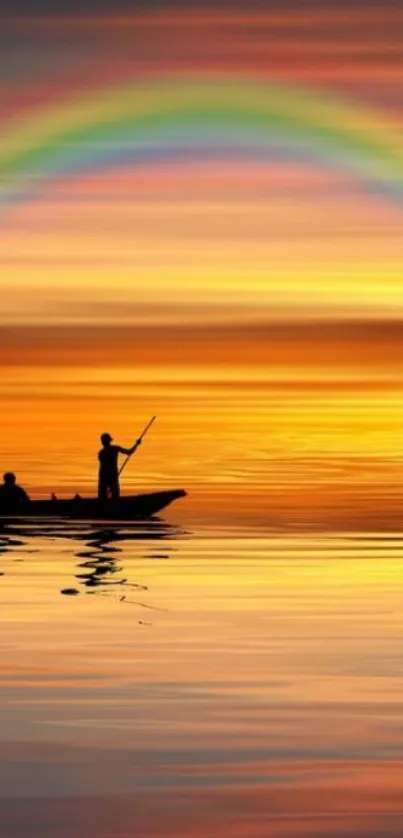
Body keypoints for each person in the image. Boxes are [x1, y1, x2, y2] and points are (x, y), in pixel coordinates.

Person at [98, 433, 140, 502]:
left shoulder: (101, 452)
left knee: (102, 497)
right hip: (111, 476)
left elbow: (129, 452)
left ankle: (104, 506)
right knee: (114, 496)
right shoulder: (114, 449)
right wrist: (137, 444)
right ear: (109, 441)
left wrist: (136, 444)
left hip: (104, 475)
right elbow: (129, 452)